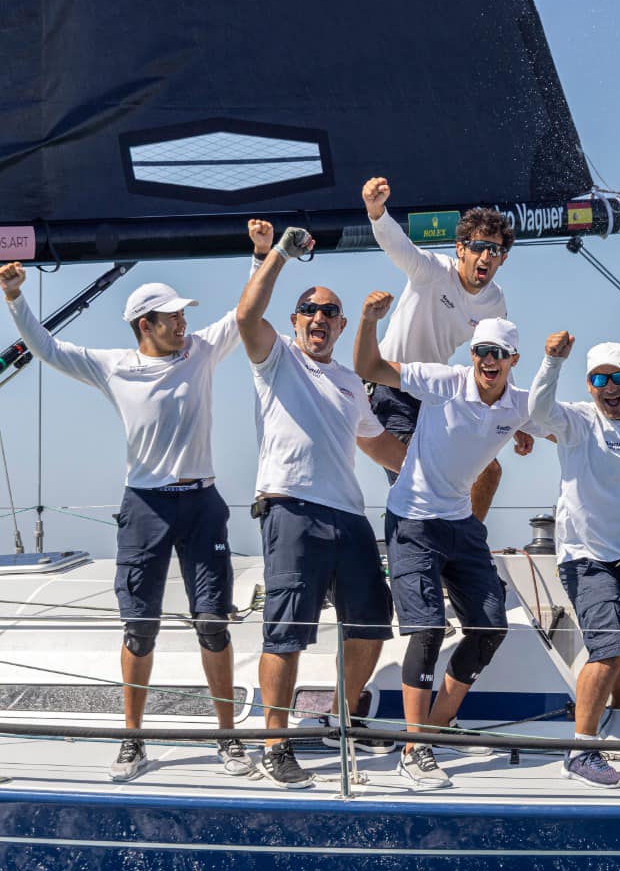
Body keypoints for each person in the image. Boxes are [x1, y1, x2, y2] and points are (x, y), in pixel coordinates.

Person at [1, 247, 252, 783]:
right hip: (145, 505)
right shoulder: (112, 367)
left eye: (185, 314)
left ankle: (228, 739)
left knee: (211, 621)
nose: (185, 322)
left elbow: (244, 314)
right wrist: (16, 296)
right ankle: (132, 739)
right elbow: (45, 348)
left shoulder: (201, 351)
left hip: (202, 501)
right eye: (174, 316)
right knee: (140, 626)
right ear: (146, 325)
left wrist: (261, 257)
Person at [232, 221, 410, 789]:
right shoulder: (275, 357)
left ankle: (339, 719)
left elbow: (380, 445)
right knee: (286, 633)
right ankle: (275, 744)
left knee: (372, 625)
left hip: (348, 516)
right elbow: (244, 316)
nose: (319, 318)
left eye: (329, 312)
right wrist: (278, 255)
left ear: (338, 324)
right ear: (295, 320)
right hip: (291, 510)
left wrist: (454, 456)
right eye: (309, 310)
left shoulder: (351, 382)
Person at [355, 308, 534, 790]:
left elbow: (567, 421)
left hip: (459, 522)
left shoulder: (518, 402)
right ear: (472, 355)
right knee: (429, 628)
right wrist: (370, 321)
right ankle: (415, 751)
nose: (488, 360)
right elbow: (371, 368)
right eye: (481, 352)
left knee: (490, 626)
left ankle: (436, 730)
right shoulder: (444, 381)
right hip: (412, 518)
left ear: (513, 359)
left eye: (498, 353)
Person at [528, 331, 620, 788]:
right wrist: (551, 361)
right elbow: (538, 412)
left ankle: (616, 734)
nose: (611, 387)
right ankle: (582, 751)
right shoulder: (579, 422)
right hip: (584, 556)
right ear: (589, 385)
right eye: (600, 379)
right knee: (609, 648)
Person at [360, 176, 523, 517]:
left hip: (437, 393)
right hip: (391, 388)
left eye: (495, 251)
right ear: (460, 248)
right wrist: (376, 211)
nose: (486, 257)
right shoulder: (432, 271)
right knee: (419, 476)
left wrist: (517, 422)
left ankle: (464, 548)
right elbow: (397, 245)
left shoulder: (495, 303)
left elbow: (499, 361)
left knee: (489, 472)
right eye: (478, 246)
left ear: (503, 259)